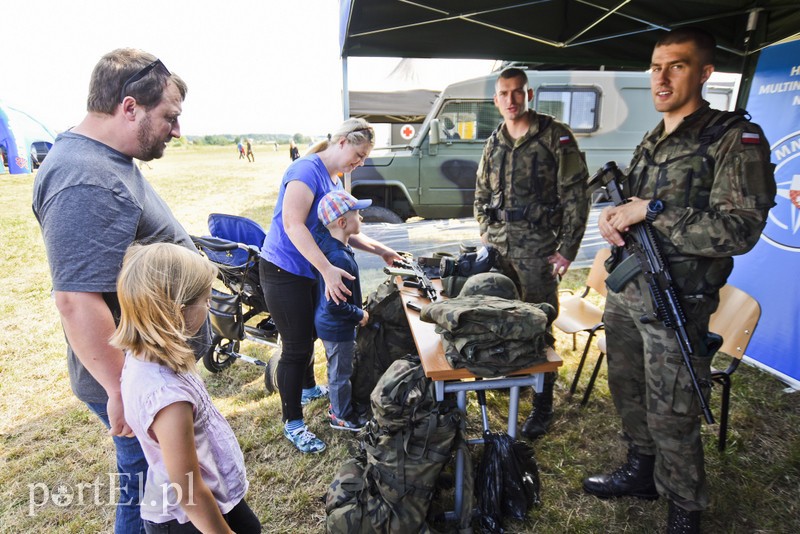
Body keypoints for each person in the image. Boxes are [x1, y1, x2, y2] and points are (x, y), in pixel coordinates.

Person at [586, 28, 775, 533]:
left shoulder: (734, 138)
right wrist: (616, 218)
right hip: (628, 290)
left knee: (674, 407)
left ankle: (684, 509)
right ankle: (641, 471)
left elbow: (739, 230)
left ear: (706, 73)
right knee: (628, 389)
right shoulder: (656, 136)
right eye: (655, 67)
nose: (662, 78)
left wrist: (653, 211)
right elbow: (632, 208)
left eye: (677, 66)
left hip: (678, 297)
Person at [31, 48, 210, 534]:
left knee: (150, 489)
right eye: (169, 117)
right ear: (128, 106)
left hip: (149, 376)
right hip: (138, 387)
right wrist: (122, 391)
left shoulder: (107, 159)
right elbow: (76, 299)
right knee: (151, 495)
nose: (177, 130)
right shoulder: (84, 177)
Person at [259, 118, 402, 454]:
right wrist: (327, 270)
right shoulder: (306, 170)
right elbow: (294, 225)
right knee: (295, 347)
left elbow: (343, 225)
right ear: (341, 142)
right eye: (359, 153)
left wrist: (380, 249)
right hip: (285, 269)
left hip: (314, 269)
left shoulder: (335, 177)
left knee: (309, 333)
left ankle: (308, 389)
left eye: (365, 157)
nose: (361, 161)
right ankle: (293, 423)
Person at [111, 243, 260, 534]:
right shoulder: (169, 399)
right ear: (179, 314)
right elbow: (189, 490)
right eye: (205, 301)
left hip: (210, 494)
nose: (209, 306)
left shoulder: (144, 354)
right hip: (188, 518)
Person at [474, 67, 590, 440]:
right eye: (504, 94)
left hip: (538, 250)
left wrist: (568, 249)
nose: (511, 100)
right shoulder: (494, 141)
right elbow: (479, 194)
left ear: (529, 95)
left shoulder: (555, 136)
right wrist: (486, 232)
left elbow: (576, 195)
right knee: (504, 318)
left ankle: (542, 406)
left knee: (540, 324)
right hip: (500, 250)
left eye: (517, 93)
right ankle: (517, 379)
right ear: (496, 100)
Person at [314, 190, 372, 431]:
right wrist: (360, 315)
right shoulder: (340, 259)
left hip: (330, 325)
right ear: (342, 222)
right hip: (337, 328)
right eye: (358, 214)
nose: (362, 219)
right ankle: (340, 415)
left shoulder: (331, 245)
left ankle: (339, 404)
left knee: (336, 368)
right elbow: (335, 305)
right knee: (340, 373)